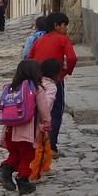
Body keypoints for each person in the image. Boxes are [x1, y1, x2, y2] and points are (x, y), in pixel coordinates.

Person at [0, 60, 51, 195]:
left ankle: (5, 172)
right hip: (27, 131)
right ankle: (23, 180)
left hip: (10, 129)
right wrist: (46, 123)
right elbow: (44, 109)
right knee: (27, 156)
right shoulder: (36, 89)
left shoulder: (10, 87)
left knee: (15, 153)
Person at [27, 12, 77, 159]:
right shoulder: (63, 39)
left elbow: (30, 58)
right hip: (55, 80)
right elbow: (72, 58)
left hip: (37, 80)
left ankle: (36, 144)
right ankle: (52, 146)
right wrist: (65, 72)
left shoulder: (39, 40)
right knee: (55, 112)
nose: (66, 28)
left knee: (38, 112)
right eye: (64, 25)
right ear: (56, 25)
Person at [29, 58, 59, 181]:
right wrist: (46, 121)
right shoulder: (51, 87)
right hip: (40, 120)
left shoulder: (35, 82)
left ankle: (46, 166)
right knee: (40, 147)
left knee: (45, 144)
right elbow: (46, 104)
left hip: (30, 118)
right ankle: (34, 173)